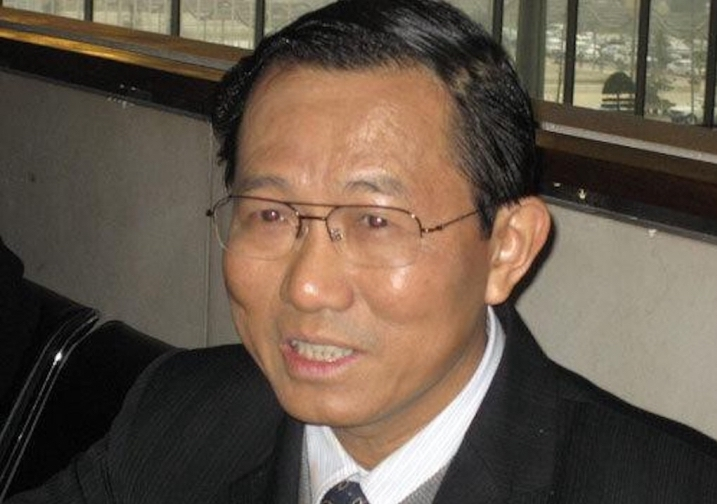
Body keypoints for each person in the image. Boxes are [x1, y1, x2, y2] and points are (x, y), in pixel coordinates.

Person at [8, 0, 717, 502]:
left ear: (506, 248)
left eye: (376, 221)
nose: (308, 286)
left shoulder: (665, 488)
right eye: (271, 213)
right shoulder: (180, 414)